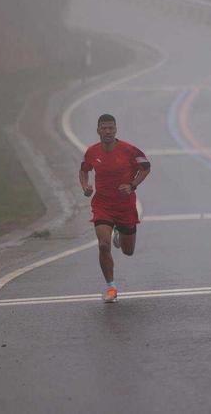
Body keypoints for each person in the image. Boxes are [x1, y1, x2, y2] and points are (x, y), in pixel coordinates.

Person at [79, 114, 151, 303]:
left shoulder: (129, 150)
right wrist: (85, 186)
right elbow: (84, 169)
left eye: (111, 128)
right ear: (98, 130)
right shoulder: (92, 152)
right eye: (104, 128)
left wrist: (132, 185)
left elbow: (146, 166)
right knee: (103, 245)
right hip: (103, 205)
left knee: (128, 251)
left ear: (116, 129)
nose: (108, 131)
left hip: (125, 206)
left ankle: (119, 231)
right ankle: (110, 288)